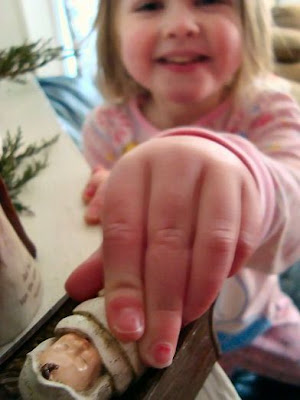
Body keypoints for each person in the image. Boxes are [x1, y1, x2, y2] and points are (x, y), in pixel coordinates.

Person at [65, 0, 300, 370]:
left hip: (258, 322)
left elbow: (294, 223)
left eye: (208, 1)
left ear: (248, 23)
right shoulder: (106, 129)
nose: (180, 25)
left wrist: (249, 180)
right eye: (149, 6)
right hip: (162, 333)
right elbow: (103, 237)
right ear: (113, 36)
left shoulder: (267, 106)